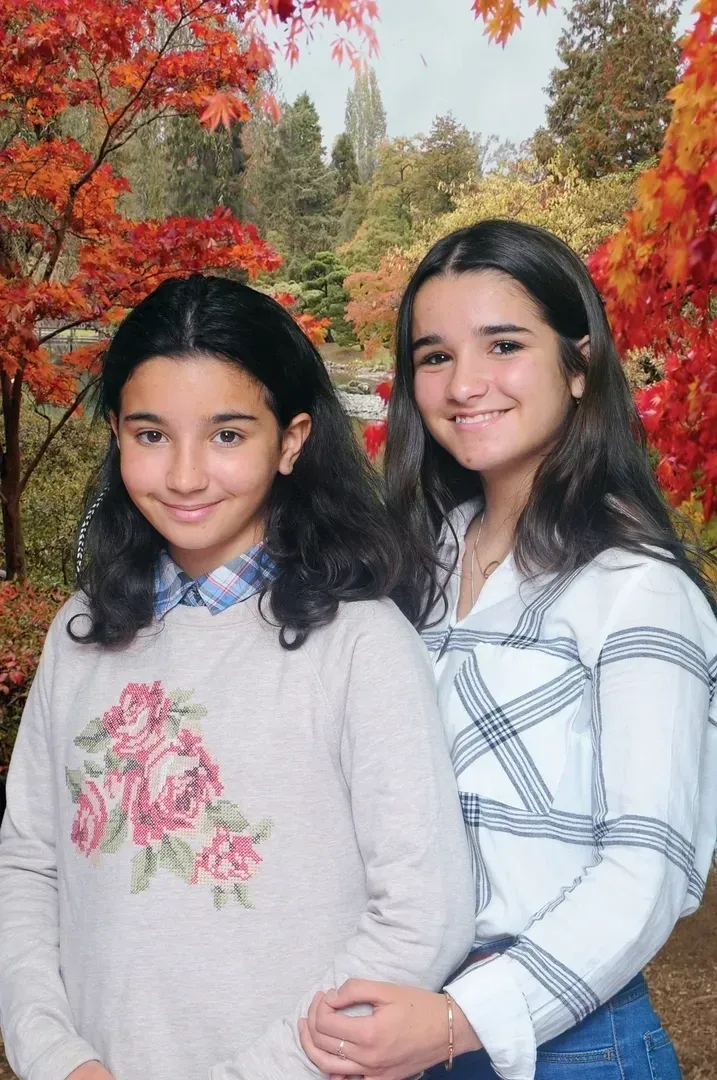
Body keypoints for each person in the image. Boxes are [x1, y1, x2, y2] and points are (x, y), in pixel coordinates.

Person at [0, 275, 475, 1080]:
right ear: (116, 433)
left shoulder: (360, 643)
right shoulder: (80, 633)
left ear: (289, 441)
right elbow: (29, 864)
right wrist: (55, 1056)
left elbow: (421, 916)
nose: (185, 476)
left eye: (226, 435)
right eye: (151, 435)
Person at [298, 220, 717, 1080]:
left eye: (502, 345)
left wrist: (459, 1021)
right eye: (434, 356)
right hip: (395, 1027)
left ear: (578, 363)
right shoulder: (406, 569)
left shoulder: (636, 590)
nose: (465, 384)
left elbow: (645, 873)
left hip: (571, 1047)